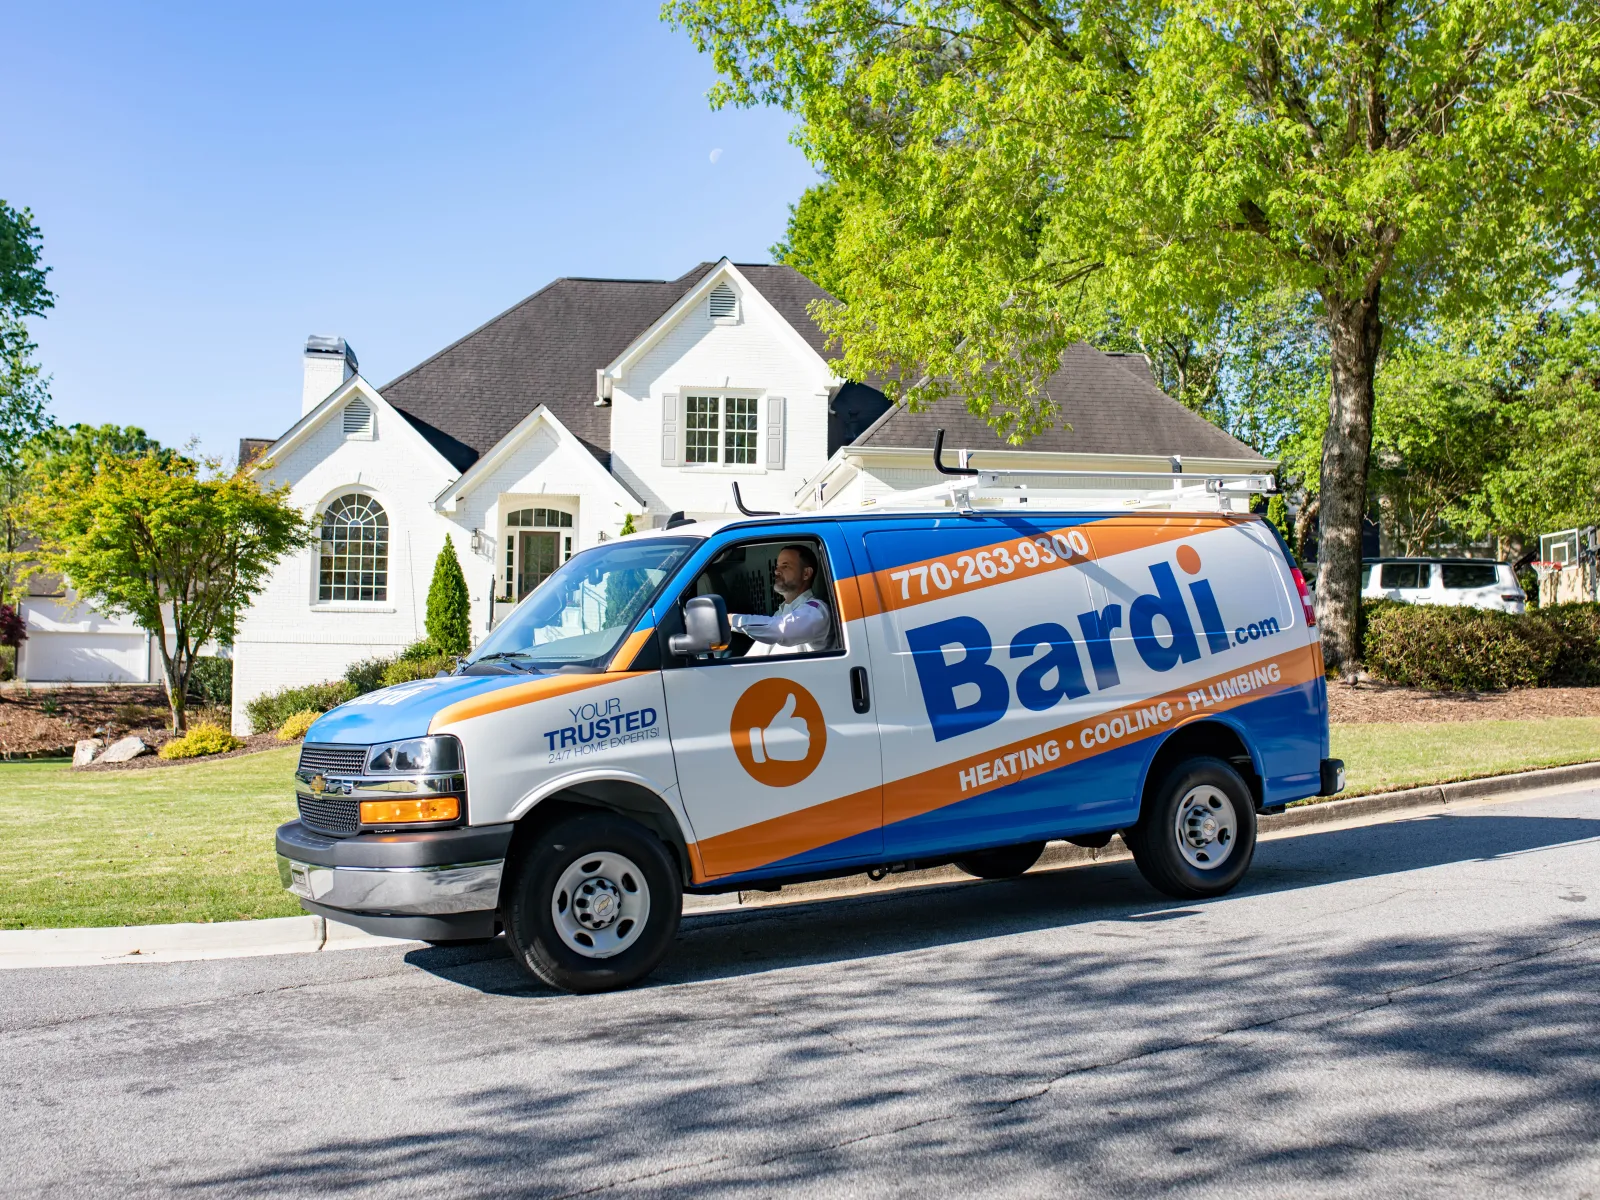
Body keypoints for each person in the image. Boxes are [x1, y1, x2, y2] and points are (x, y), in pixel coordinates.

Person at [729, 544, 832, 656]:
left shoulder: (818, 611)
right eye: (777, 566)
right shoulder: (782, 612)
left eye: (785, 566)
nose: (776, 571)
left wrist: (731, 620)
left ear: (806, 573)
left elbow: (781, 630)